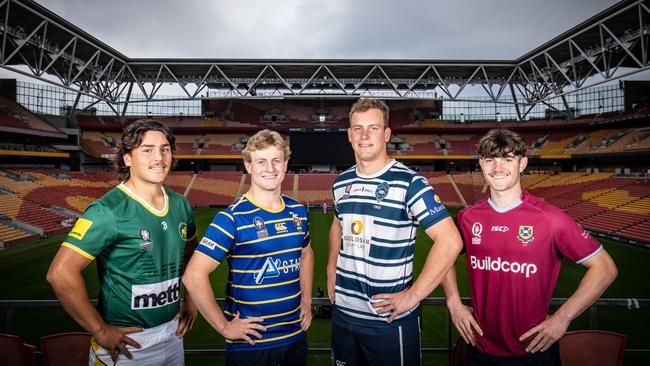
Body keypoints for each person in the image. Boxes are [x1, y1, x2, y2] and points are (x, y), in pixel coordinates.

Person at [441, 128, 618, 366]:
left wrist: (562, 318)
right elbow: (443, 256)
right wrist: (453, 302)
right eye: (490, 160)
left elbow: (605, 268)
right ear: (481, 165)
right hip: (479, 348)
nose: (497, 168)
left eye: (507, 159)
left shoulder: (551, 218)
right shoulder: (467, 218)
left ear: (522, 163)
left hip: (535, 352)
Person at [46, 120, 198, 365]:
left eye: (165, 149)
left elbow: (192, 255)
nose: (159, 157)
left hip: (173, 335)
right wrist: (100, 330)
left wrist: (191, 299)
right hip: (127, 344)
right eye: (147, 149)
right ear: (127, 158)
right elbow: (60, 273)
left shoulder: (181, 205)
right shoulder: (108, 210)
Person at [328, 98, 463, 366]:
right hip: (343, 315)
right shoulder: (341, 183)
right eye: (357, 128)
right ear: (349, 135)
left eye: (373, 128)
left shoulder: (411, 183)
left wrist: (413, 296)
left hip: (388, 321)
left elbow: (450, 241)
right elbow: (337, 224)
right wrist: (331, 265)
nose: (364, 136)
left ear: (387, 134)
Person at [183, 129, 314, 366]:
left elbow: (306, 253)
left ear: (285, 164)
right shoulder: (231, 219)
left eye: (276, 161)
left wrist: (305, 301)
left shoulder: (298, 212)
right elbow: (193, 275)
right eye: (261, 161)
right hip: (251, 344)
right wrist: (224, 327)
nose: (270, 168)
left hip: (294, 337)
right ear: (248, 165)